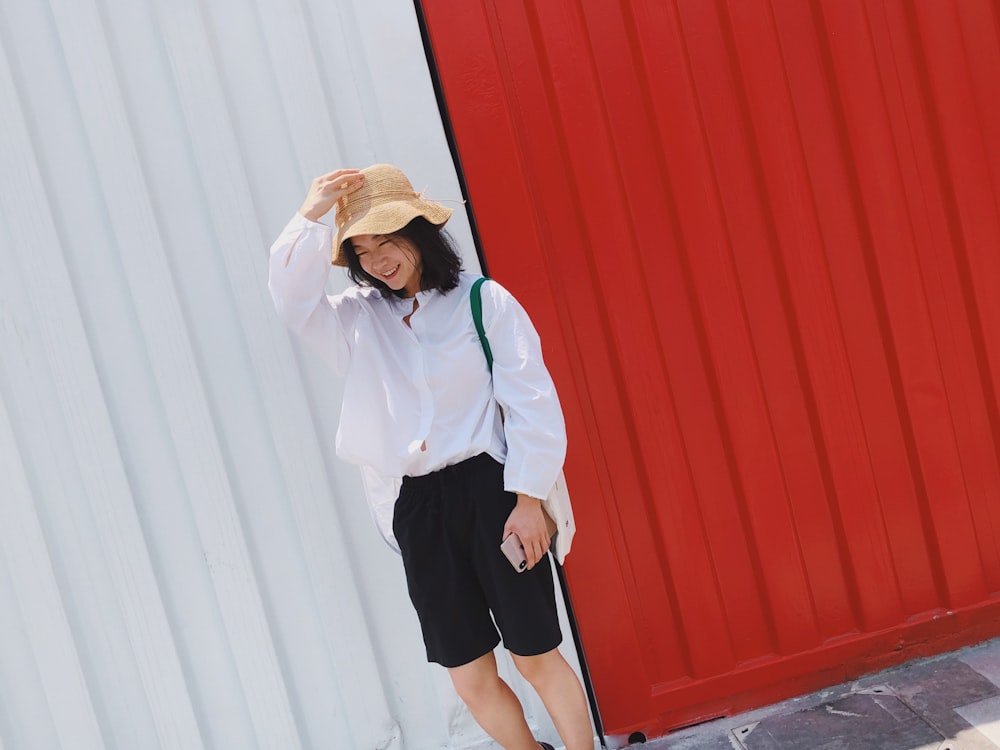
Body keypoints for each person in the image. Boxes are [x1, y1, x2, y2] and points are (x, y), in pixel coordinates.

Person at [268, 164, 592, 750]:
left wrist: (526, 500)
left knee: (535, 655)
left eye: (386, 239)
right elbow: (292, 300)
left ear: (418, 231)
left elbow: (532, 403)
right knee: (469, 676)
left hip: (493, 492)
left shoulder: (482, 301)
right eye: (361, 251)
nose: (377, 260)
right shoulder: (358, 320)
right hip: (418, 507)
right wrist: (310, 214)